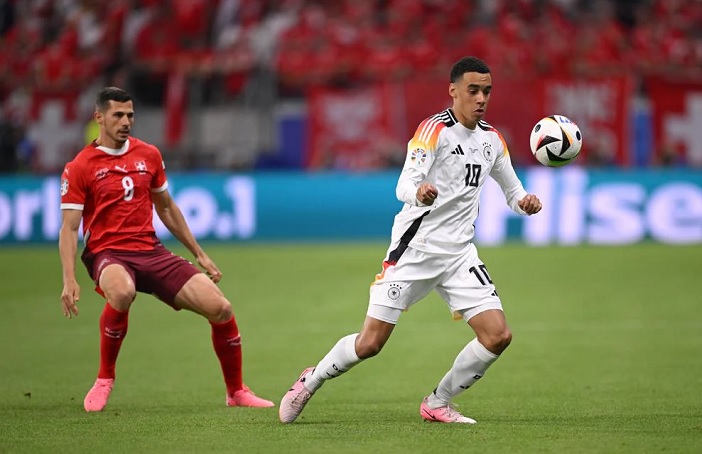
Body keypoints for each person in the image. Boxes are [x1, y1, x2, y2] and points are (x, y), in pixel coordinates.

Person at [279, 56, 542, 424]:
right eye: (473, 90)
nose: (481, 98)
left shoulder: (493, 140)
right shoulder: (433, 130)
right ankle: (311, 380)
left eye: (487, 91)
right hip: (415, 250)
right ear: (453, 91)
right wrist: (419, 193)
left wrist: (525, 202)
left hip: (459, 255)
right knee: (370, 343)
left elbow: (513, 192)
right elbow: (403, 184)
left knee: (497, 336)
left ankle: (438, 402)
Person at [59, 87, 274, 412]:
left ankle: (236, 392)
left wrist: (198, 252)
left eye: (130, 115)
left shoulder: (148, 155)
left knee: (221, 308)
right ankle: (104, 379)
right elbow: (69, 228)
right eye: (118, 115)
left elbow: (167, 207)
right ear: (99, 117)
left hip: (150, 250)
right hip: (108, 252)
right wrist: (69, 278)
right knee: (122, 291)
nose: (126, 121)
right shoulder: (80, 166)